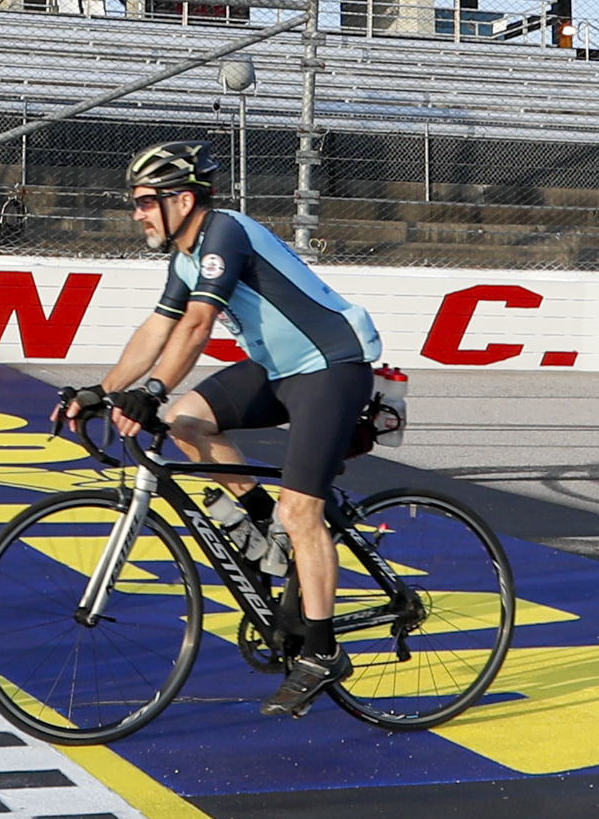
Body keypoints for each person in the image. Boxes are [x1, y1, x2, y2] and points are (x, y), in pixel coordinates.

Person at [52, 138, 386, 719]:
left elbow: (198, 324)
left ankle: (322, 650)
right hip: (278, 369)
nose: (137, 214)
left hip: (330, 367)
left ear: (182, 200)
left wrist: (152, 389)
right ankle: (265, 531)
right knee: (186, 421)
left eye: (145, 201)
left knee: (300, 511)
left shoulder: (224, 233)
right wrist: (100, 392)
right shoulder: (184, 257)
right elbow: (159, 328)